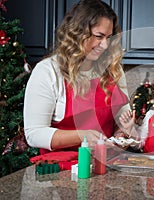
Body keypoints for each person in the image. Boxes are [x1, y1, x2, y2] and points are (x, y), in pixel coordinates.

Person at [23, 0, 130, 154]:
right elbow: (34, 134)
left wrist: (121, 134)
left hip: (105, 166)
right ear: (78, 33)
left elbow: (122, 120)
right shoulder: (48, 71)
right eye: (99, 36)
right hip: (59, 170)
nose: (105, 45)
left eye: (108, 37)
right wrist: (82, 136)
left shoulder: (113, 70)